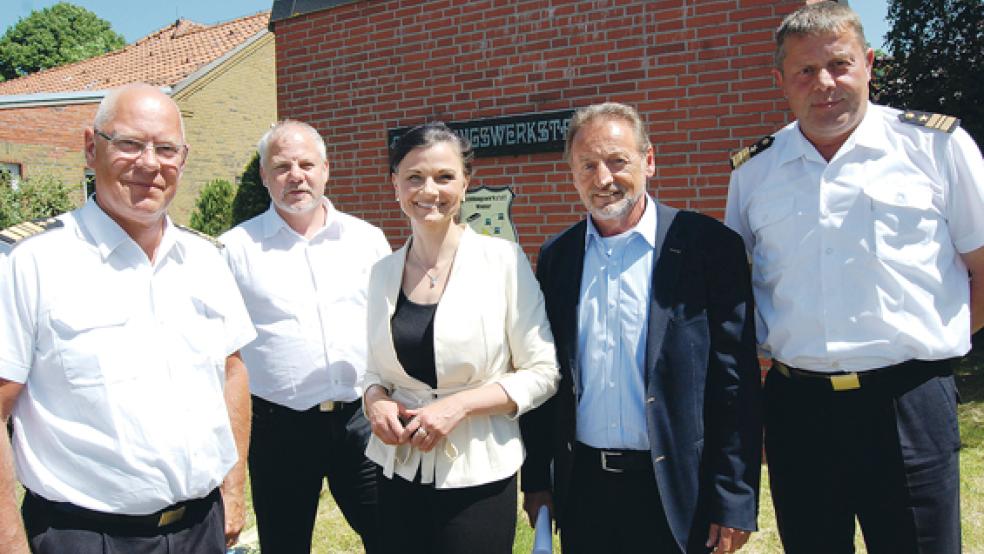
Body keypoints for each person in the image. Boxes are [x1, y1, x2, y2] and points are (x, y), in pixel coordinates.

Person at [724, 3, 984, 553]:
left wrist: (932, 344)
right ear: (782, 82)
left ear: (869, 63)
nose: (824, 83)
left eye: (839, 64)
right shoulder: (754, 173)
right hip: (800, 409)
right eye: (804, 71)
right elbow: (742, 290)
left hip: (908, 400)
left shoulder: (936, 148)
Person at [0, 83, 256, 554]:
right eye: (130, 144)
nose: (149, 163)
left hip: (202, 527)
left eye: (165, 148)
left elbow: (232, 371)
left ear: (183, 157)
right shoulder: (31, 263)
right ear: (90, 147)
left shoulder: (206, 260)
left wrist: (234, 488)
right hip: (86, 536)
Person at [520, 102, 762, 554]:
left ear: (649, 160)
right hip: (585, 490)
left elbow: (736, 384)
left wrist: (733, 499)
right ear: (571, 173)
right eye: (587, 166)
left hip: (676, 489)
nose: (603, 179)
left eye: (617, 161)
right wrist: (537, 480)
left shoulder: (708, 248)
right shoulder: (558, 257)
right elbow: (546, 376)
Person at [362, 122, 560, 554]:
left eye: (444, 176)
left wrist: (458, 406)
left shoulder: (503, 262)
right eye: (414, 176)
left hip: (478, 474)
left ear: (465, 184)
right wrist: (373, 398)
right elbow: (374, 369)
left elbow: (543, 372)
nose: (428, 190)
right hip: (398, 470)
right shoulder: (381, 273)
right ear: (395, 185)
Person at [219, 120, 390, 553]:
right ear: (264, 176)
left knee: (393, 535)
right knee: (285, 544)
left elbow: (389, 325)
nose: (296, 175)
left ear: (326, 169)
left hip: (360, 420)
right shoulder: (235, 249)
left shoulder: (367, 240)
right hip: (280, 427)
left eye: (306, 164)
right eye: (281, 166)